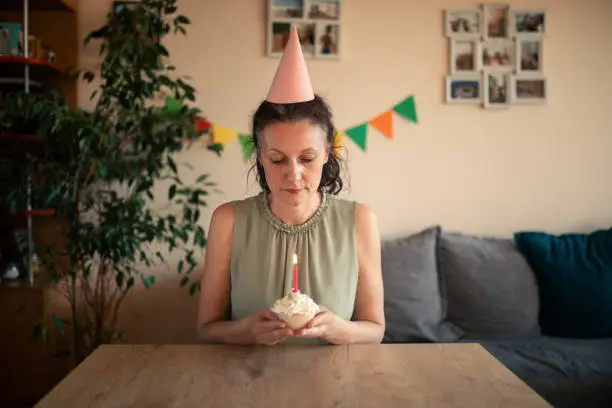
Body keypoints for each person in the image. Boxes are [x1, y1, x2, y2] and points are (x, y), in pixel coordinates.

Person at [197, 27, 384, 346]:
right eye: (277, 159)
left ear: (327, 153)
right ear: (259, 157)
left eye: (307, 158)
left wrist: (340, 329)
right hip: (248, 384)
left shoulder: (359, 220)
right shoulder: (228, 220)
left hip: (334, 387)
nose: (293, 175)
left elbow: (375, 329)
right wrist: (244, 331)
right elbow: (206, 329)